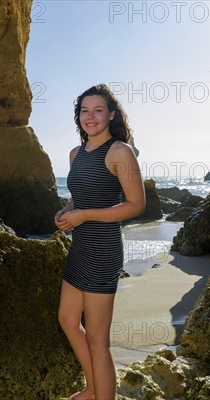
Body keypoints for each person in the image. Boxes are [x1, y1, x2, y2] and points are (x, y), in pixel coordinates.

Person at [55, 84, 146, 400]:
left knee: (96, 338)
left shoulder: (120, 151)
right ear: (78, 116)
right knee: (67, 320)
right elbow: (78, 198)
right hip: (79, 248)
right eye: (84, 110)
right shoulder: (75, 154)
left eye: (97, 110)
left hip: (104, 250)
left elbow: (135, 205)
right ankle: (93, 389)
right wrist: (66, 212)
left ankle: (102, 395)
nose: (90, 116)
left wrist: (84, 215)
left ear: (110, 114)